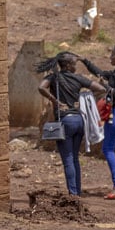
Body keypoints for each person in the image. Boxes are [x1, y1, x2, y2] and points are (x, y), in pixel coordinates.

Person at [79, 46, 115, 199]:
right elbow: (101, 73)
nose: (110, 57)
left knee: (108, 149)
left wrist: (104, 86)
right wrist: (85, 62)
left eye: (113, 55)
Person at [40, 55, 100, 197]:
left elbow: (41, 87)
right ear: (67, 65)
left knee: (67, 159)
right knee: (74, 158)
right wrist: (85, 97)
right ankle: (77, 192)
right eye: (74, 64)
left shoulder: (54, 77)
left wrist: (54, 100)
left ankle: (73, 194)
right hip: (79, 121)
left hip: (65, 121)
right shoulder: (78, 78)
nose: (75, 67)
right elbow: (100, 88)